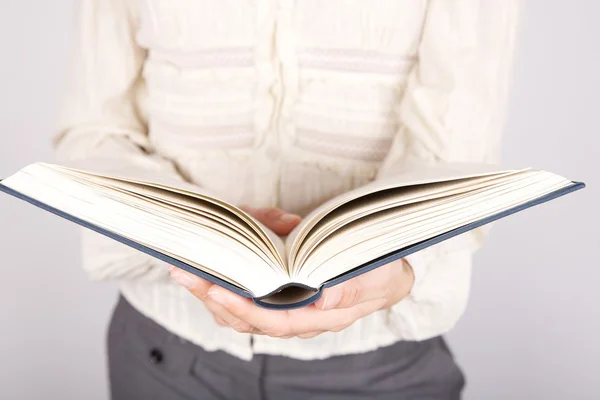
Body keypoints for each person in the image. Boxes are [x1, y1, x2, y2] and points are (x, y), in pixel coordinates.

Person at [55, 1, 519, 399]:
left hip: (377, 373)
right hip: (161, 359)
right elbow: (96, 130)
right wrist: (194, 234)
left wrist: (398, 266)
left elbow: (456, 152)